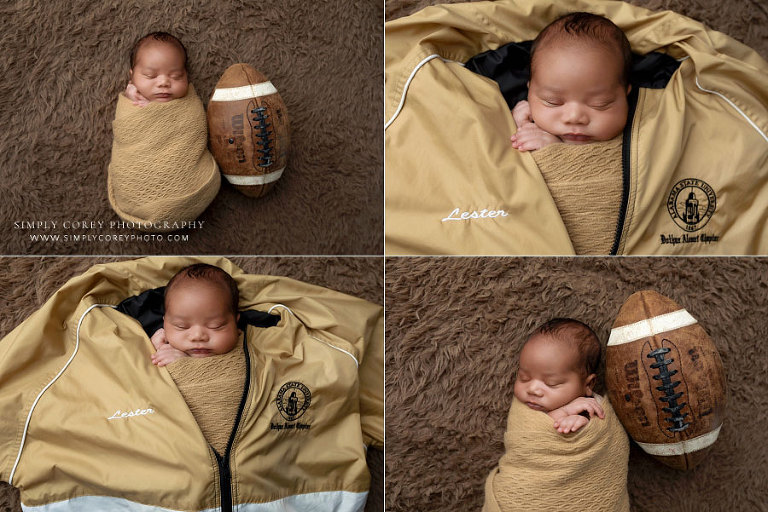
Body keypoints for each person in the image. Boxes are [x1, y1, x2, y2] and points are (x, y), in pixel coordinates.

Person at [510, 12, 632, 152]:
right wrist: (512, 122)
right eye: (552, 102)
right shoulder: (523, 119)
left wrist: (556, 152)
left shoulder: (639, 139)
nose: (574, 117)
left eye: (600, 104)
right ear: (529, 93)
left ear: (626, 94)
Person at [514, 317, 604, 433]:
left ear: (588, 384)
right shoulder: (523, 408)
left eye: (551, 383)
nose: (532, 389)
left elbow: (604, 433)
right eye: (523, 378)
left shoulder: (592, 405)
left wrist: (585, 427)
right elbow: (528, 433)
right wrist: (564, 412)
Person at [150, 263, 241, 367]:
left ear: (236, 322)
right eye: (181, 326)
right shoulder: (159, 345)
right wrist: (151, 348)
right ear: (164, 324)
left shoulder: (246, 349)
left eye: (216, 325)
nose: (198, 336)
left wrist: (186, 365)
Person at [125, 32, 189, 107]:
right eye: (150, 75)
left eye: (176, 76)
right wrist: (132, 99)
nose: (163, 82)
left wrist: (152, 109)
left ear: (186, 75)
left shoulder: (191, 103)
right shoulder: (129, 97)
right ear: (132, 76)